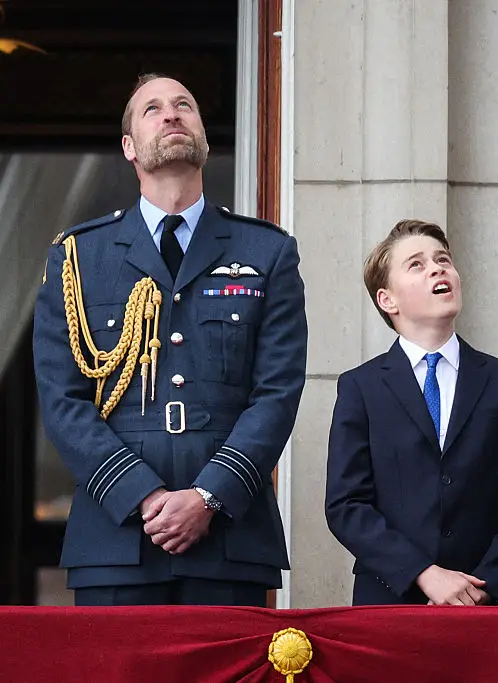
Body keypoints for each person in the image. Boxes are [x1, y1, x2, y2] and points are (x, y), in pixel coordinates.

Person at [33, 74, 307, 606]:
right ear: (129, 147)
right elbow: (62, 399)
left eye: (185, 105)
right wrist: (143, 494)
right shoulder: (78, 258)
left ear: (204, 135)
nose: (172, 113)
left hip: (229, 534)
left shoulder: (267, 252)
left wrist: (208, 496)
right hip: (115, 538)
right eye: (152, 109)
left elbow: (277, 392)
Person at [325, 219, 498, 606]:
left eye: (443, 259)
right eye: (416, 264)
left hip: (485, 600)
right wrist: (423, 574)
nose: (437, 268)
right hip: (389, 598)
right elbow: (346, 505)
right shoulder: (360, 387)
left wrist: (479, 585)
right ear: (387, 300)